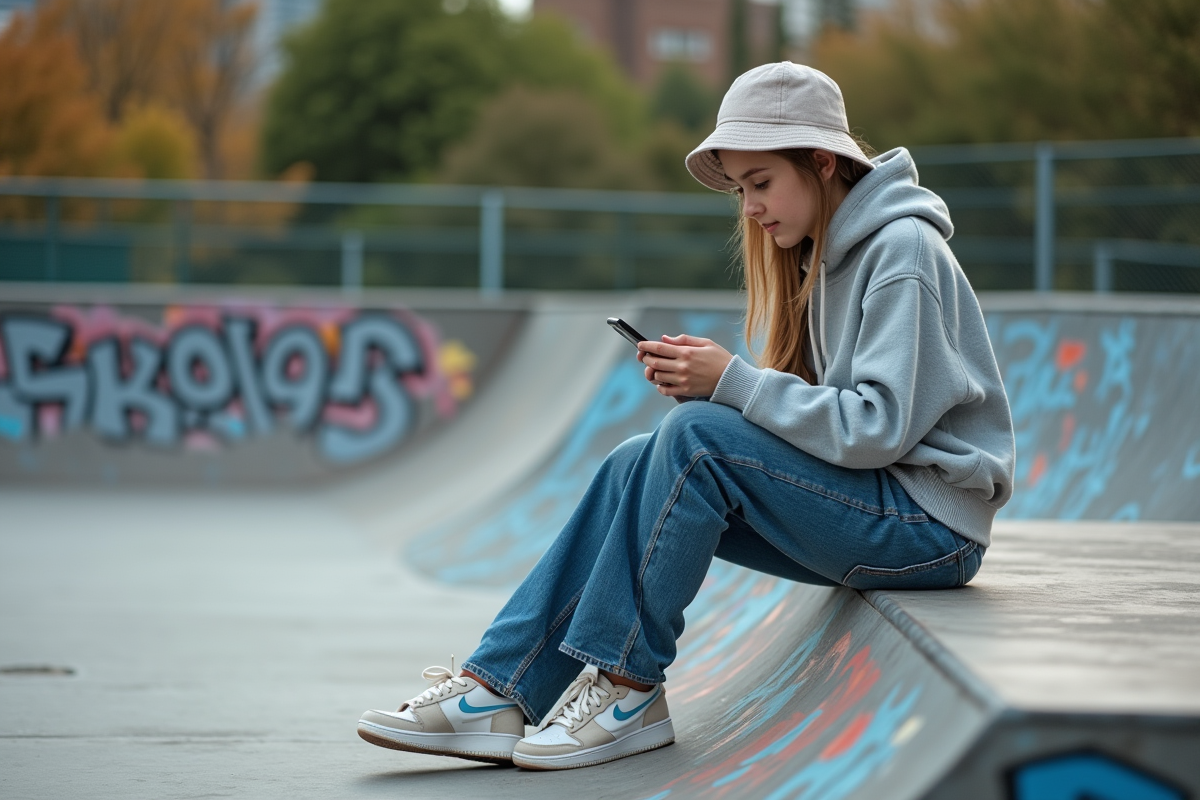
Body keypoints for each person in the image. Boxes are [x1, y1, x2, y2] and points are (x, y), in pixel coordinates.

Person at [357, 62, 1015, 771]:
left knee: (695, 440)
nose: (751, 208)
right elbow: (820, 428)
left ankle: (628, 688)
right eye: (739, 191)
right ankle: (499, 692)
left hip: (928, 527)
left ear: (823, 163)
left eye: (761, 183)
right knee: (634, 461)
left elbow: (876, 427)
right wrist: (717, 388)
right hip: (879, 506)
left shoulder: (901, 252)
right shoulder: (824, 258)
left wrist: (731, 384)